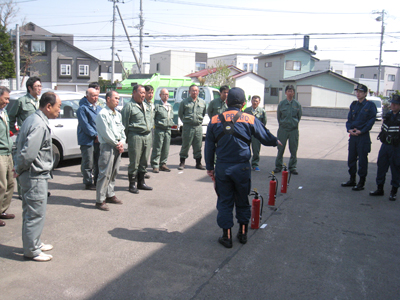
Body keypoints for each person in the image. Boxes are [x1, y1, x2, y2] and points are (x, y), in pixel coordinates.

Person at [205, 87, 281, 248]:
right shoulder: (249, 118)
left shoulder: (214, 120)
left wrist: (209, 167)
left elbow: (209, 146)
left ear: (226, 101)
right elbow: (264, 136)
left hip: (223, 168)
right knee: (242, 200)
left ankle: (226, 236)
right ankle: (243, 233)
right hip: (242, 169)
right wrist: (275, 141)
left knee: (225, 201)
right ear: (244, 103)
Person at [14, 92, 61, 262]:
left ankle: (34, 242)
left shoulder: (33, 118)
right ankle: (32, 250)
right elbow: (28, 154)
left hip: (31, 175)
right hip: (34, 176)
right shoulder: (39, 124)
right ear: (48, 106)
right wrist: (18, 168)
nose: (59, 110)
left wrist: (18, 168)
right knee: (35, 213)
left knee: (31, 211)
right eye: (58, 106)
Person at [8, 76, 42, 199]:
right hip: (25, 138)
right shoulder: (21, 101)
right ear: (29, 88)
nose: (39, 88)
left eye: (40, 86)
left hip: (37, 137)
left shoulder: (40, 102)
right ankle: (22, 192)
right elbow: (11, 117)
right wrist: (14, 131)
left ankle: (35, 189)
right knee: (22, 163)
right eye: (37, 86)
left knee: (36, 164)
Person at [341, 84, 377, 191]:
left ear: (365, 94)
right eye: (357, 91)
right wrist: (349, 129)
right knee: (351, 159)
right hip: (353, 136)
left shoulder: (370, 105)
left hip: (363, 136)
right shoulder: (354, 105)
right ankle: (352, 179)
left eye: (361, 92)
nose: (358, 93)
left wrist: (362, 130)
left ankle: (361, 182)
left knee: (362, 160)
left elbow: (371, 121)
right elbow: (349, 121)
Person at [95, 91, 125, 211]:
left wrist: (122, 142)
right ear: (108, 99)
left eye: (118, 98)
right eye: (115, 98)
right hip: (108, 146)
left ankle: (110, 194)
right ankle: (100, 200)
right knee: (105, 173)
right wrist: (117, 144)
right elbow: (106, 133)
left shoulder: (118, 114)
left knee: (114, 172)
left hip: (117, 146)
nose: (117, 100)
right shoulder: (102, 114)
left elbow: (122, 130)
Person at [121, 85, 153, 193]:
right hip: (135, 136)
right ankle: (132, 184)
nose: (143, 95)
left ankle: (141, 182)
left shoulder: (146, 105)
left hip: (147, 136)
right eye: (141, 92)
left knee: (144, 161)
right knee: (134, 162)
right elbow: (124, 124)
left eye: (144, 93)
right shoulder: (129, 106)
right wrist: (126, 138)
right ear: (134, 93)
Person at [369, 94, 400, 201]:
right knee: (381, 167)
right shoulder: (388, 115)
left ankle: (393, 192)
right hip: (385, 146)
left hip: (396, 147)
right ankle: (379, 189)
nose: (393, 106)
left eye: (396, 104)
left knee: (396, 169)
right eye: (392, 103)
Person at [77, 88, 102, 190]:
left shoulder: (99, 108)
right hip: (87, 139)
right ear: (87, 96)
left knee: (98, 161)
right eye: (92, 96)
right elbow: (85, 124)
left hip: (98, 139)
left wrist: (100, 135)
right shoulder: (82, 109)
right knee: (88, 162)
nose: (95, 98)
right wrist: (94, 135)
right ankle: (88, 182)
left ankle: (97, 180)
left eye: (96, 95)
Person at [274, 85, 302, 175]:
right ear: (285, 93)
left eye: (292, 91)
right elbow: (279, 117)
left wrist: (294, 124)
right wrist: (283, 124)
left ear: (294, 93)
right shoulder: (281, 104)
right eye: (288, 91)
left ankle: (292, 167)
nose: (290, 93)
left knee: (293, 149)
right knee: (280, 149)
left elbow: (299, 116)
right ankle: (278, 166)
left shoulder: (297, 104)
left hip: (293, 130)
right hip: (283, 129)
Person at [178, 84, 206, 170]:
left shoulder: (202, 102)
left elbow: (203, 113)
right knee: (185, 145)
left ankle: (198, 163)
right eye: (193, 90)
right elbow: (180, 114)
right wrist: (187, 122)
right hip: (188, 127)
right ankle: (182, 163)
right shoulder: (184, 102)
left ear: (198, 92)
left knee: (198, 146)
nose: (194, 92)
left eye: (196, 90)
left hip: (198, 127)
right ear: (189, 92)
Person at [0, 87, 15, 227]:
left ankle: (2, 210)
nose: (7, 101)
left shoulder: (3, 112)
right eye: (5, 98)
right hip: (0, 153)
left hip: (8, 151)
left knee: (10, 183)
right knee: (1, 185)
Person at [150, 88, 174, 173]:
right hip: (159, 129)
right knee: (157, 147)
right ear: (160, 95)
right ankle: (155, 165)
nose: (166, 96)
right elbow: (153, 118)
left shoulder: (170, 106)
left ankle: (163, 164)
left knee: (166, 148)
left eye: (167, 94)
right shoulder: (157, 106)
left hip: (168, 129)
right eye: (164, 94)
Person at [244, 95, 268, 171]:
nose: (255, 102)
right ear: (251, 101)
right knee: (245, 149)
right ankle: (245, 164)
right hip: (247, 133)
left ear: (259, 102)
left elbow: (264, 122)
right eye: (254, 100)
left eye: (256, 101)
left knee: (256, 150)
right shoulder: (246, 110)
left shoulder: (262, 111)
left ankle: (255, 164)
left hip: (256, 134)